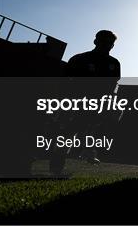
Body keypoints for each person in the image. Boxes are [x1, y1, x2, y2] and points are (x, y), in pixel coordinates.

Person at [50, 30, 120, 174]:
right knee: (67, 133)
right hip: (76, 103)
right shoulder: (79, 59)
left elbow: (112, 85)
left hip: (97, 104)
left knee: (92, 129)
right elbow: (64, 82)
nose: (107, 46)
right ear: (96, 42)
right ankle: (57, 165)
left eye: (110, 43)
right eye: (104, 42)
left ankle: (88, 151)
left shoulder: (114, 63)